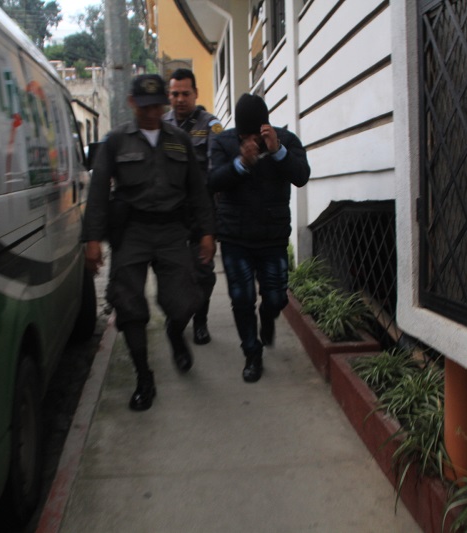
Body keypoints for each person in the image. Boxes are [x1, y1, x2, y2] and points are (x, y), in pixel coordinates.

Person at [83, 74, 216, 411]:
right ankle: (144, 377)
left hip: (172, 230)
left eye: (159, 106)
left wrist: (206, 233)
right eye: (146, 107)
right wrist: (93, 240)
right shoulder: (116, 141)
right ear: (132, 103)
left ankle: (175, 333)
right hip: (133, 231)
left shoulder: (180, 140)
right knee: (128, 306)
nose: (153, 113)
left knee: (185, 300)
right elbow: (98, 192)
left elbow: (197, 190)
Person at [208, 93, 310, 383]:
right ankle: (252, 354)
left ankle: (267, 318)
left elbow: (302, 175)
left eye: (256, 133)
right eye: (245, 134)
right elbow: (212, 181)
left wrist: (277, 151)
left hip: (272, 237)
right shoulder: (223, 142)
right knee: (241, 299)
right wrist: (241, 163)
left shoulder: (285, 140)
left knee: (276, 298)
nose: (251, 139)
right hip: (234, 237)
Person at [163, 68, 223, 345]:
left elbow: (215, 171)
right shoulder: (160, 125)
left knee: (202, 274)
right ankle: (176, 316)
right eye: (174, 94)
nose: (180, 99)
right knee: (172, 273)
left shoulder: (210, 125)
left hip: (199, 215)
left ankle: (200, 320)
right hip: (169, 218)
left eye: (185, 93)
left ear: (196, 94)